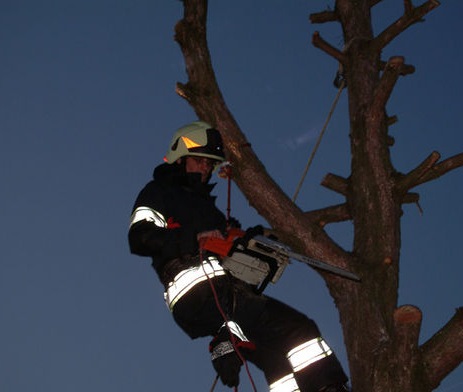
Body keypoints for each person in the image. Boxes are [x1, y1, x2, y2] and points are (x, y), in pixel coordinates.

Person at [128, 121, 349, 391]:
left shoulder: (209, 211)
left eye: (210, 165)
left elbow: (226, 244)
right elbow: (140, 237)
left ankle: (227, 338)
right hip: (204, 294)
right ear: (180, 157)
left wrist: (250, 240)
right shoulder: (159, 192)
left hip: (223, 300)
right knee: (300, 330)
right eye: (200, 161)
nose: (205, 169)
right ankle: (329, 389)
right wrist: (193, 239)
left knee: (274, 359)